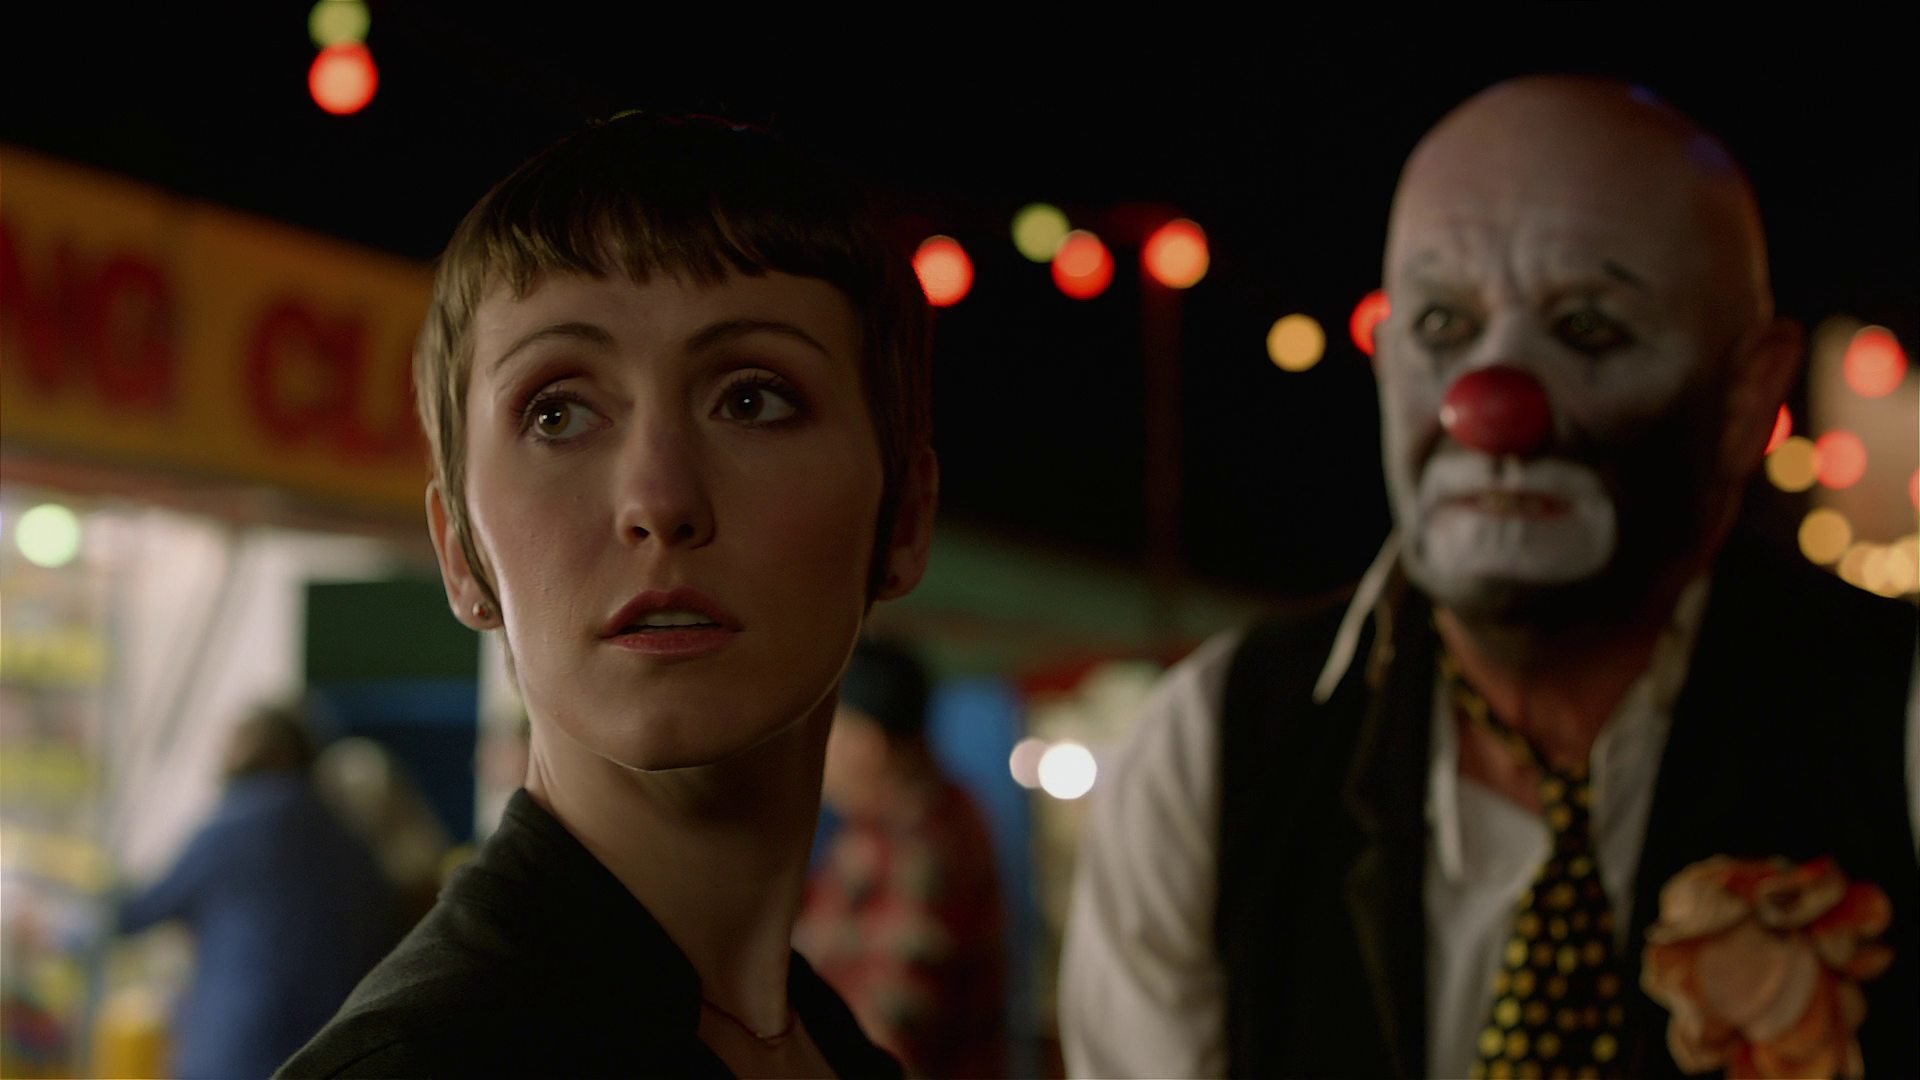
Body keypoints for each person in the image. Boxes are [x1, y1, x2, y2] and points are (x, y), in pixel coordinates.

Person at [1058, 75, 1919, 1079]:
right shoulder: (1210, 753)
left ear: (1746, 397)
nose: (1491, 405)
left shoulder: (1896, 724)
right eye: (1442, 327)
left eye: (1590, 327)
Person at [277, 110, 938, 1078]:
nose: (658, 501)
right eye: (558, 413)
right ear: (460, 551)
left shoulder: (834, 1053)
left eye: (751, 399)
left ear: (904, 519)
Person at [115, 700, 402, 1080]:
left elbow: (133, 913)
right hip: (324, 1056)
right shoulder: (351, 841)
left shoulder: (236, 826)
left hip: (232, 1055)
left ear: (270, 752)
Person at [794, 636, 1009, 1078]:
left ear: (869, 743)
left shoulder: (915, 848)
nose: (816, 752)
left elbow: (888, 1030)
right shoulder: (938, 816)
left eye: (829, 730)